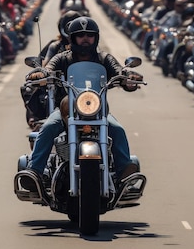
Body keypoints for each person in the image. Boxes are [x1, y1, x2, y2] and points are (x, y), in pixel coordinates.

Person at [16, 17, 141, 192]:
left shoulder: (104, 58)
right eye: (80, 35)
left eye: (89, 35)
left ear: (95, 38)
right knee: (48, 128)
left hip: (98, 110)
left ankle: (124, 173)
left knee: (118, 129)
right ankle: (35, 171)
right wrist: (41, 73)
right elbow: (49, 68)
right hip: (66, 109)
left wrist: (128, 77)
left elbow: (119, 70)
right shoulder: (62, 58)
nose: (85, 39)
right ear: (72, 38)